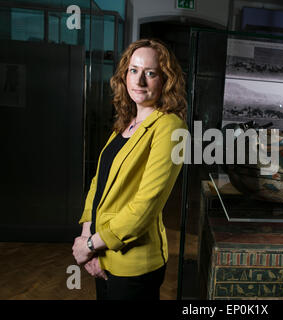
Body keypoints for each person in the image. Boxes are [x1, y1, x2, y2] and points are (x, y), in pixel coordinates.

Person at [72, 38, 187, 300]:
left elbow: (145, 205)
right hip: (102, 253)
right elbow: (97, 184)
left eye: (151, 73)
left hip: (134, 265)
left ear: (166, 80)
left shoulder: (171, 127)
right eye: (133, 70)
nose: (140, 81)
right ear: (125, 75)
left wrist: (90, 244)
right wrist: (88, 240)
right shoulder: (126, 122)